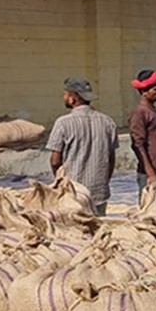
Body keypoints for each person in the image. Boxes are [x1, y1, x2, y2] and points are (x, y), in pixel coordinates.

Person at [46, 77, 119, 216]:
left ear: (73, 98)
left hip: (73, 192)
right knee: (98, 230)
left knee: (77, 232)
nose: (64, 97)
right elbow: (111, 159)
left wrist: (59, 182)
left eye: (65, 94)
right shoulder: (108, 122)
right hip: (99, 192)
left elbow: (55, 161)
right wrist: (103, 181)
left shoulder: (63, 123)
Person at [128, 69, 156, 203]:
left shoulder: (154, 112)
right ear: (144, 92)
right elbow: (138, 145)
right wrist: (151, 174)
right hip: (151, 173)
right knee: (149, 213)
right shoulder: (139, 113)